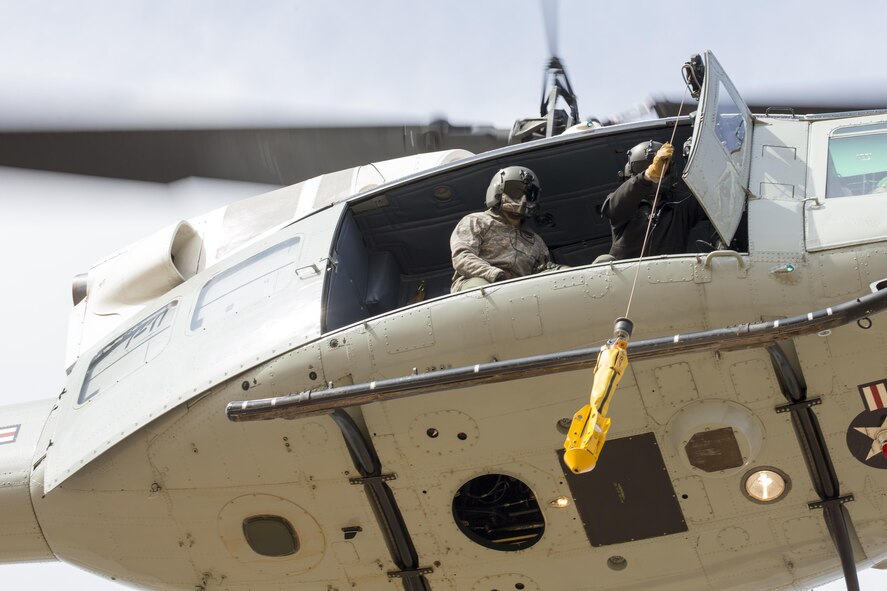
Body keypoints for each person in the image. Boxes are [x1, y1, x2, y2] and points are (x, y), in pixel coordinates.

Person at [450, 166, 553, 292]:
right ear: (498, 191)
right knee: (479, 289)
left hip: (520, 294)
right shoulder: (477, 221)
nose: (523, 199)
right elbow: (462, 257)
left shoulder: (536, 241)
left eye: (529, 194)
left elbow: (544, 271)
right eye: (515, 192)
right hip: (479, 282)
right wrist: (495, 274)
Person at [600, 140, 707, 260]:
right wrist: (647, 176)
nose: (656, 171)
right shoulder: (623, 202)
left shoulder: (683, 203)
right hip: (628, 275)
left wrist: (702, 161)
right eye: (643, 168)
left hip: (671, 275)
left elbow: (717, 207)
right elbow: (613, 207)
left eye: (661, 168)